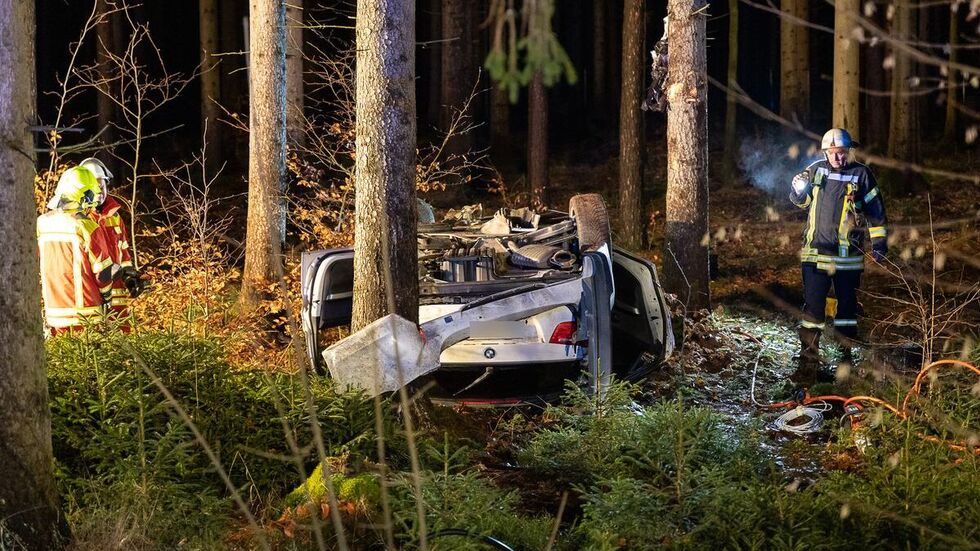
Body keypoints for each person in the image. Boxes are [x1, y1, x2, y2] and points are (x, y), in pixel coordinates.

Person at [789, 128, 888, 370]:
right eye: (832, 152)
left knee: (847, 310)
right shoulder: (815, 171)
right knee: (813, 310)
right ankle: (809, 357)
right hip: (815, 254)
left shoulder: (862, 174)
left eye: (842, 152)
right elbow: (801, 202)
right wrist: (797, 188)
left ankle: (845, 355)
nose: (837, 157)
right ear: (825, 152)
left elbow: (876, 211)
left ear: (848, 151)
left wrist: (879, 244)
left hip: (848, 258)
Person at [79, 157, 144, 323]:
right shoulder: (80, 221)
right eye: (94, 187)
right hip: (93, 303)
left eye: (102, 186)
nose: (99, 192)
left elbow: (124, 255)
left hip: (118, 306)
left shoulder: (114, 217)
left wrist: (129, 277)